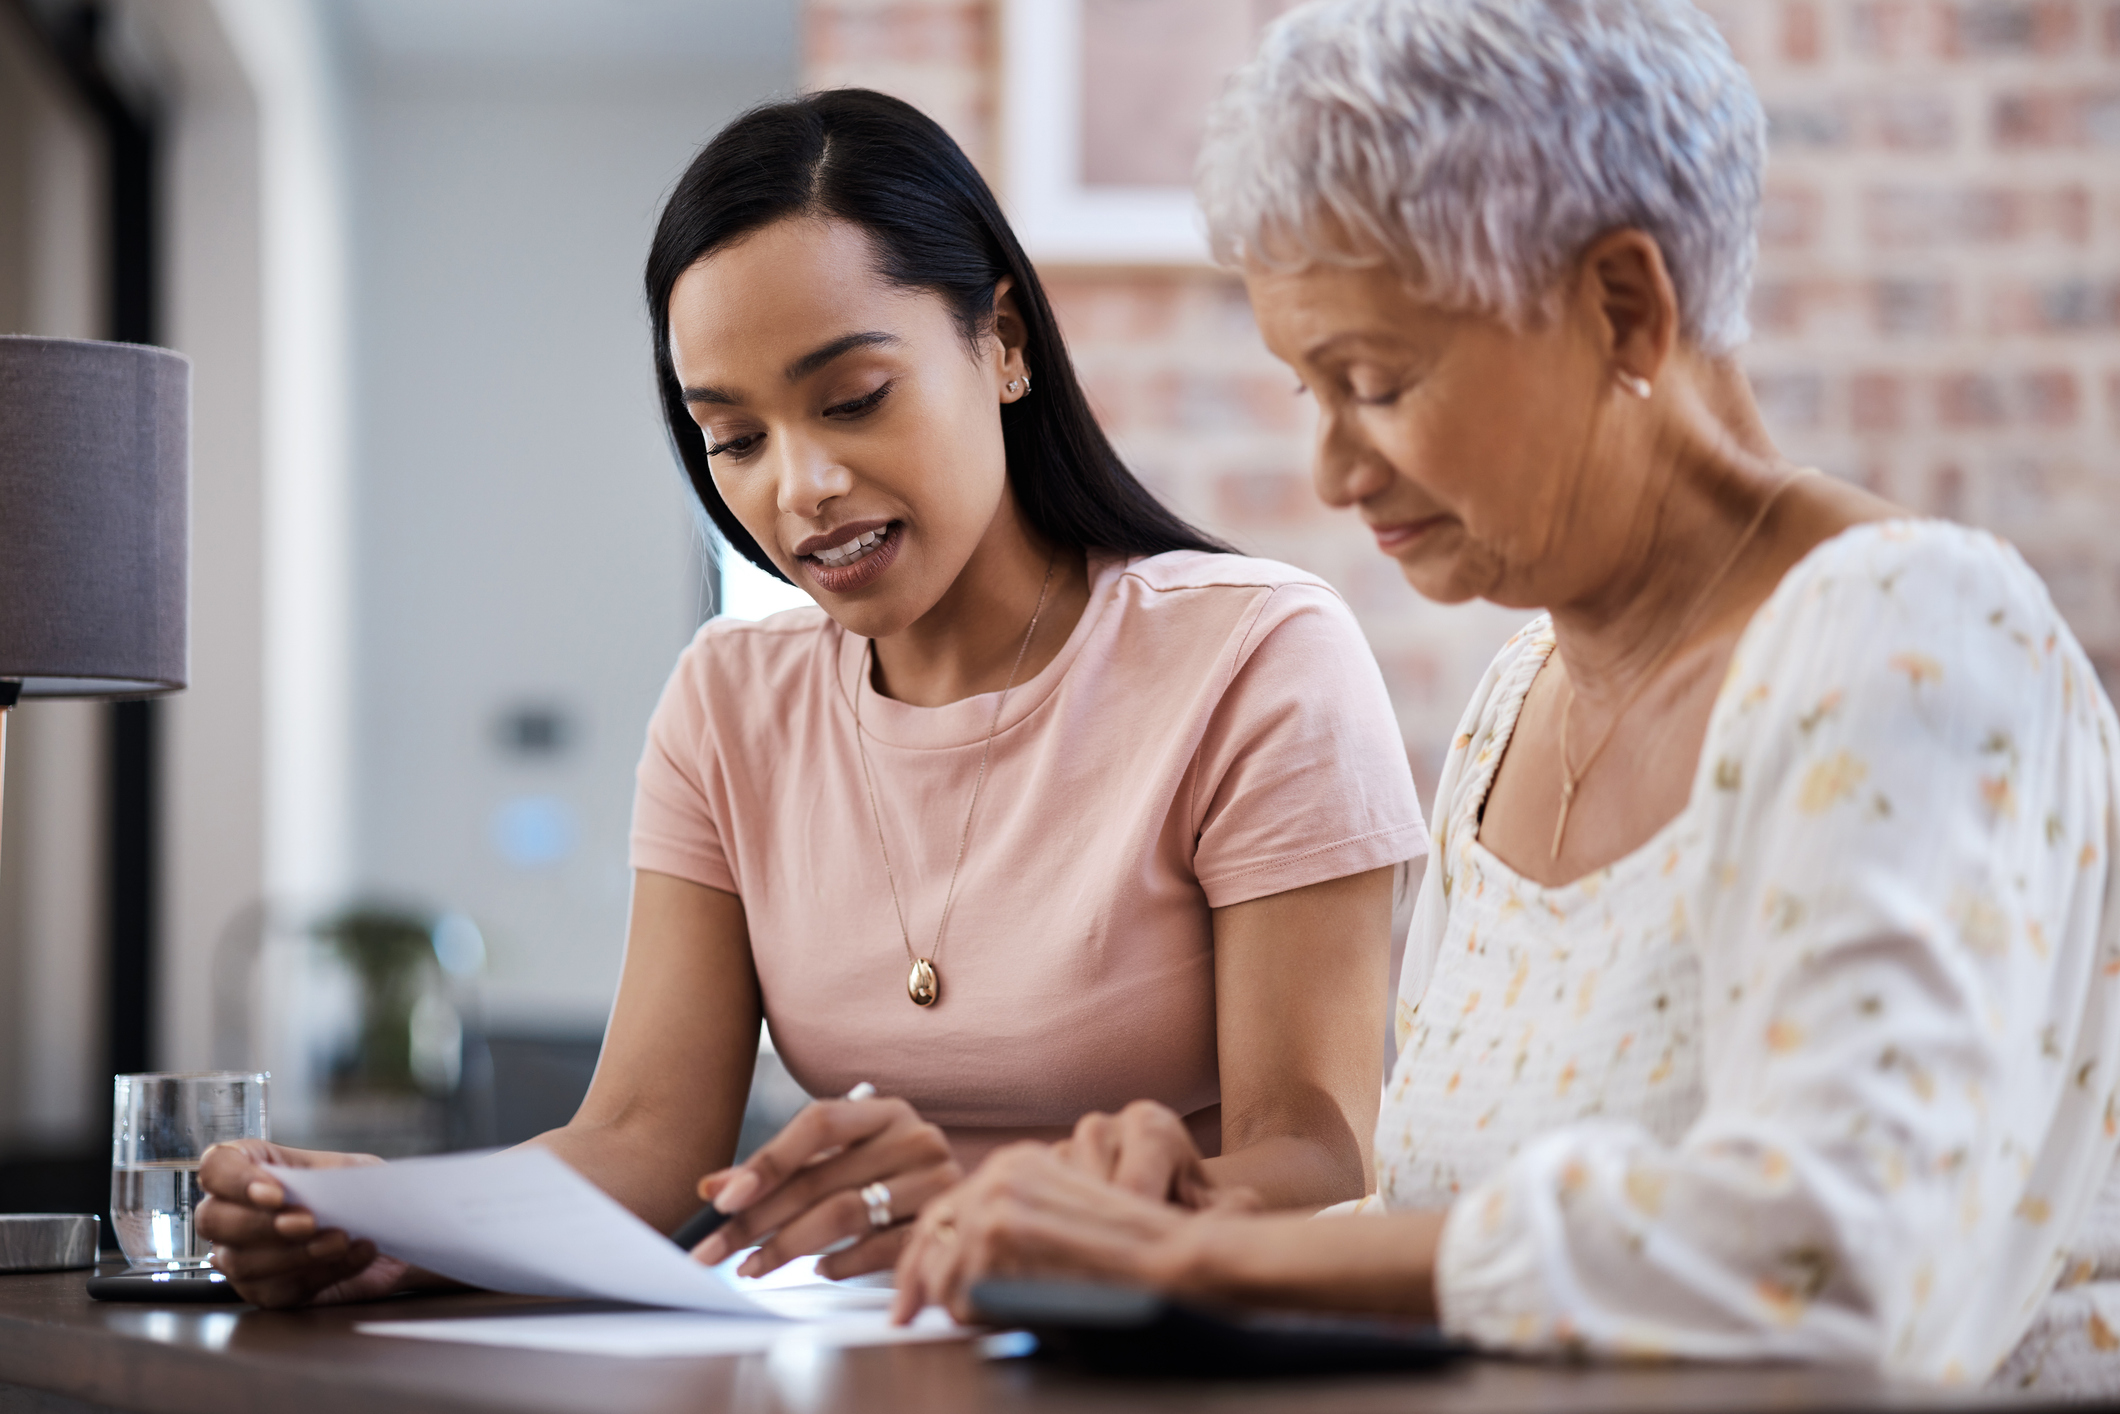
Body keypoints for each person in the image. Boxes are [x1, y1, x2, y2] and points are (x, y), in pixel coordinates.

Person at [889, 0, 2120, 1389]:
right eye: (1311, 390)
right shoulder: (1511, 705)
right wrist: (1201, 1214)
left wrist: (1211, 1265)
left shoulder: (1914, 633)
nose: (1336, 473)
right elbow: (1475, 1232)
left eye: (1377, 381)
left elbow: (1831, 1250)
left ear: (1623, 306)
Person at [194, 89, 1427, 1308]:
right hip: (868, 1355)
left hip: (1155, 1362)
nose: (802, 488)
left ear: (1001, 342)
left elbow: (1318, 1152)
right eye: (734, 438)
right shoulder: (728, 702)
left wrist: (1001, 1212)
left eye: (851, 400)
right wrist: (402, 1226)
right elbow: (640, 1136)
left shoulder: (1255, 656)